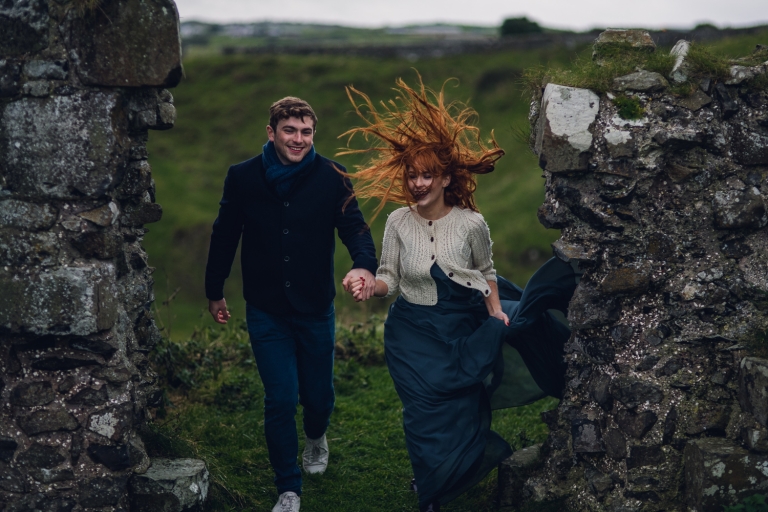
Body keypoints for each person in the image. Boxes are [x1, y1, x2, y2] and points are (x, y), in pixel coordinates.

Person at [341, 76, 579, 511]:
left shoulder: (471, 223)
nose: (417, 183)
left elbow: (486, 272)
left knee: (466, 400)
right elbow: (389, 278)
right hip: (411, 335)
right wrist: (367, 284)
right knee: (422, 416)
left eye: (426, 175)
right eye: (411, 175)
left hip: (460, 321)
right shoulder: (397, 222)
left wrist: (495, 314)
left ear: (446, 177)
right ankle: (430, 490)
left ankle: (460, 468)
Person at [204, 97, 378, 512]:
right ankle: (288, 488)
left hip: (315, 306)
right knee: (280, 397)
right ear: (271, 132)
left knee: (318, 398)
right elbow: (224, 233)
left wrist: (364, 265)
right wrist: (215, 290)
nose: (298, 139)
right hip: (265, 308)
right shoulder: (243, 177)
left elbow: (355, 228)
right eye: (290, 131)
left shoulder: (332, 175)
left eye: (306, 132)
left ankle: (316, 439)